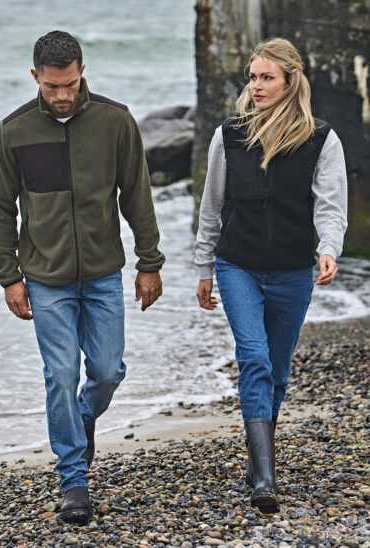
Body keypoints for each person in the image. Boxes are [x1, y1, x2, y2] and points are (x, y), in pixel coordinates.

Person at [0, 30, 164, 524]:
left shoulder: (115, 121)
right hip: (45, 278)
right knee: (60, 375)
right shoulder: (13, 131)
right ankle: (74, 481)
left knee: (107, 371)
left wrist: (149, 262)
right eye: (51, 86)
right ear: (35, 77)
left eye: (69, 84)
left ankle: (82, 419)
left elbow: (137, 195)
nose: (62, 95)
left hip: (104, 274)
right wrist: (9, 277)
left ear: (82, 71)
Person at [195, 38, 347, 514]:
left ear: (290, 82)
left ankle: (257, 460)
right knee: (255, 359)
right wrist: (203, 267)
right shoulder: (229, 135)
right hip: (237, 265)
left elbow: (330, 206)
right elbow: (211, 207)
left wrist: (329, 249)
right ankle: (265, 478)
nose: (256, 86)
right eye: (253, 77)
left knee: (277, 372)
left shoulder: (321, 139)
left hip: (293, 271)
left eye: (267, 78)